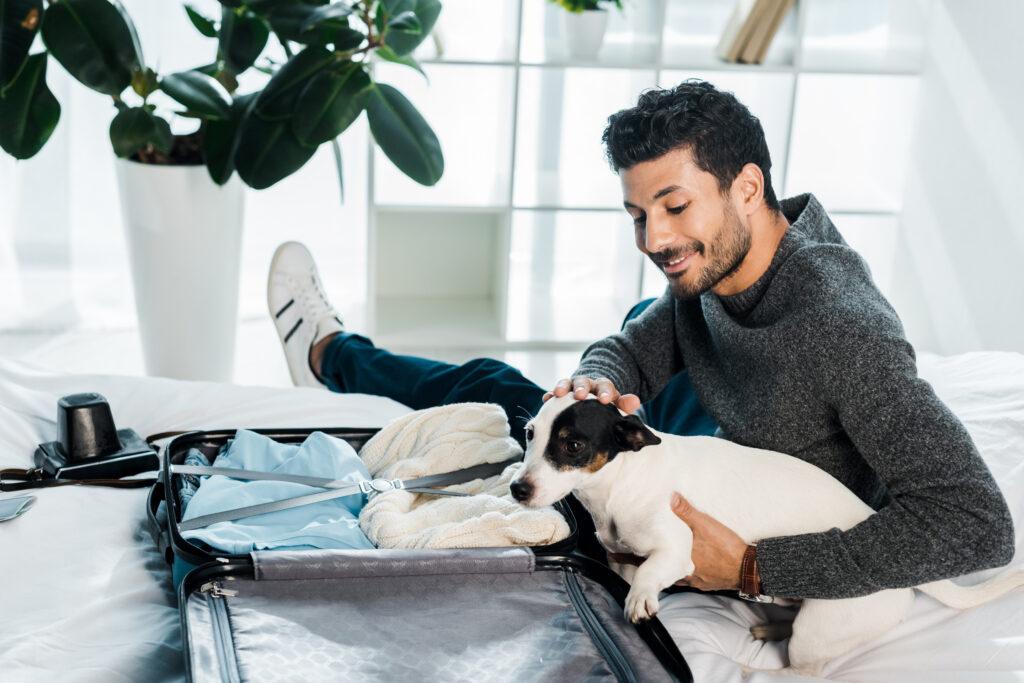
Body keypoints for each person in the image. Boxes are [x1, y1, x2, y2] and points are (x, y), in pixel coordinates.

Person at [267, 79, 1014, 602]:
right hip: (722, 436)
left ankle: (330, 353)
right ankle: (336, 358)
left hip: (752, 484)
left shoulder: (845, 335)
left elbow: (978, 525)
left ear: (747, 188)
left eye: (674, 205)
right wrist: (597, 379)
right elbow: (638, 345)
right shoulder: (722, 260)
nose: (654, 237)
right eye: (636, 215)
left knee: (500, 391)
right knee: (585, 365)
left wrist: (755, 566)